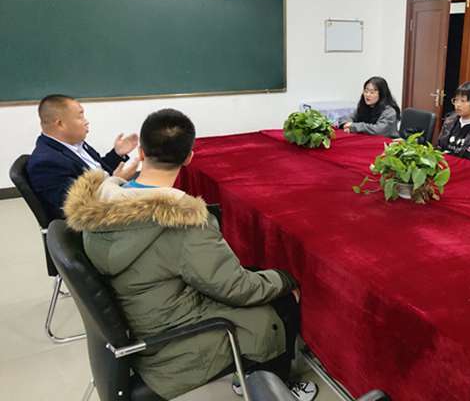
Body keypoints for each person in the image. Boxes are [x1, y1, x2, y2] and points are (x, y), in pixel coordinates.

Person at [63, 108, 317, 401]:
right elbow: (237, 289)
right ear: (189, 158)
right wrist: (285, 278)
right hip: (170, 341)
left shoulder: (100, 204)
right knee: (281, 301)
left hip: (139, 316)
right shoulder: (181, 223)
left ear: (141, 153)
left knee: (256, 276)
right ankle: (273, 385)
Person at [26, 94, 138, 220]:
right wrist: (115, 181)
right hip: (96, 220)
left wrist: (116, 154)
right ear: (60, 124)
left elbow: (98, 170)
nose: (86, 122)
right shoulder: (46, 162)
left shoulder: (75, 143)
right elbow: (78, 205)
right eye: (80, 116)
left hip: (113, 199)